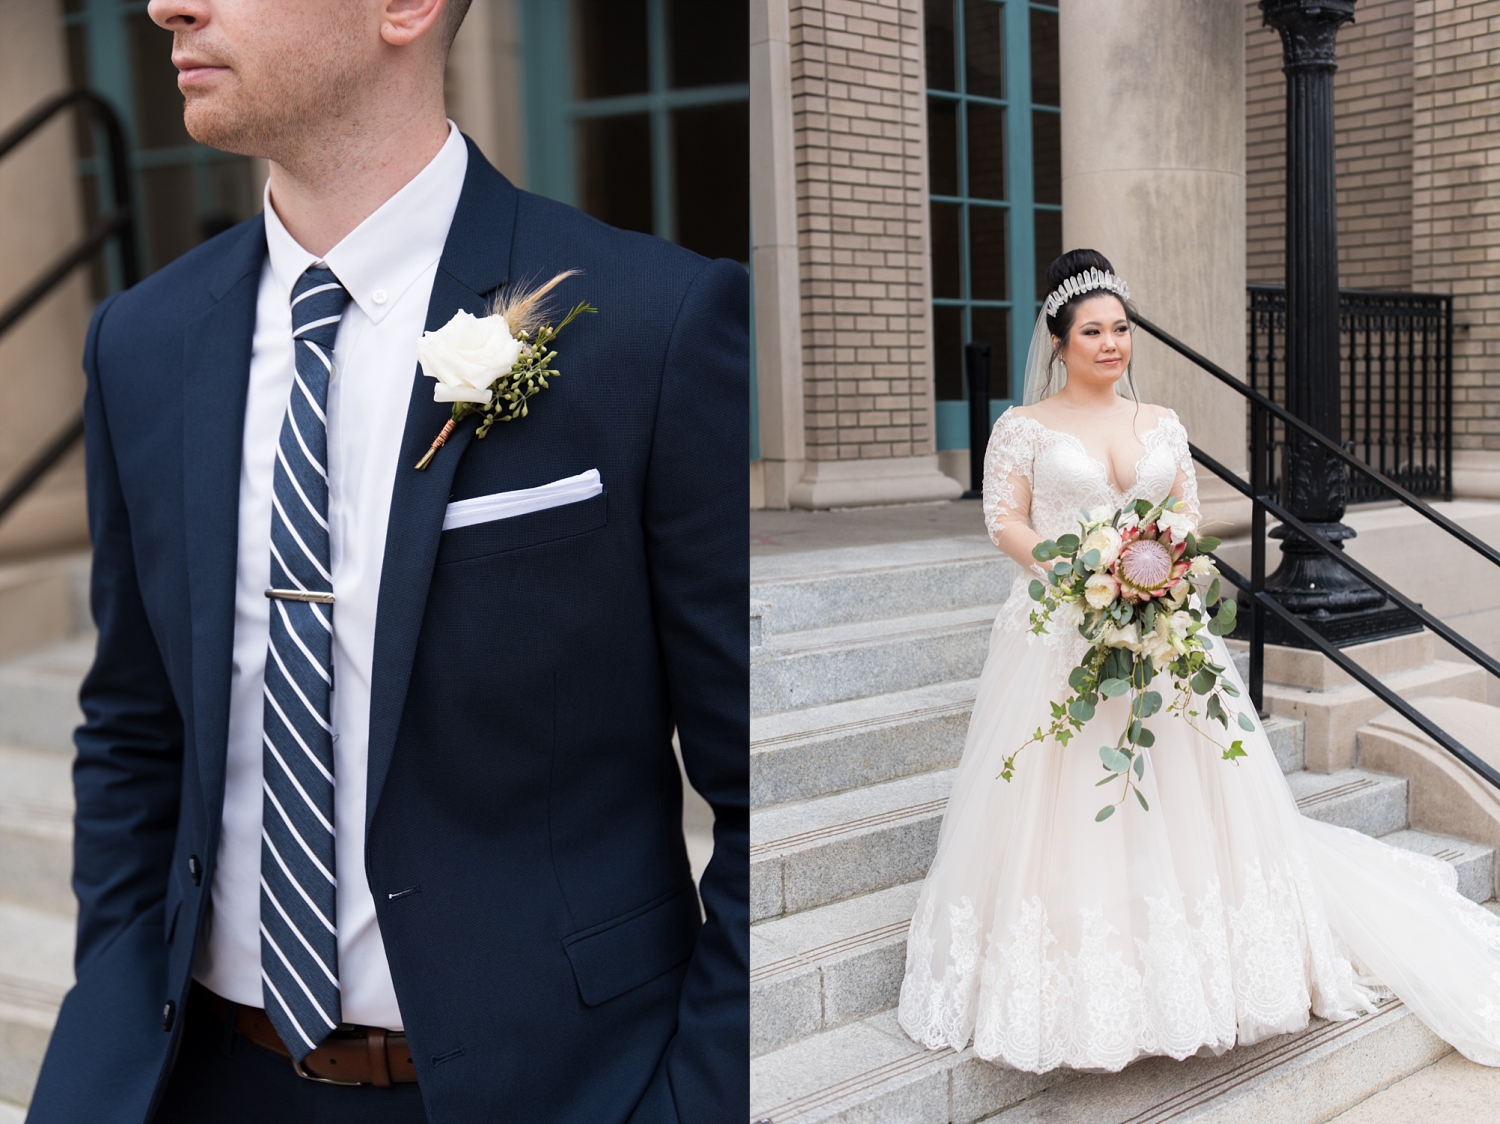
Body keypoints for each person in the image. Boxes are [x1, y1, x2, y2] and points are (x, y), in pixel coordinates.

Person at [26, 1, 748, 1122]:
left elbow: (758, 775)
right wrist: (112, 999)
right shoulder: (140, 341)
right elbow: (131, 724)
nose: (166, 2)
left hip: (545, 1086)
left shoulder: (656, 324)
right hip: (197, 1076)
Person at [896, 248, 1500, 1073]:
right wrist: (1077, 567)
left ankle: (1209, 968)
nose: (1112, 344)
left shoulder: (1162, 423)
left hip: (1166, 624)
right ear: (1060, 338)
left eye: (1121, 329)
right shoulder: (1023, 428)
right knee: (1064, 797)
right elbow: (1004, 520)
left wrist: (1163, 567)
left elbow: (1185, 515)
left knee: (1186, 789)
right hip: (1057, 631)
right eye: (1094, 331)